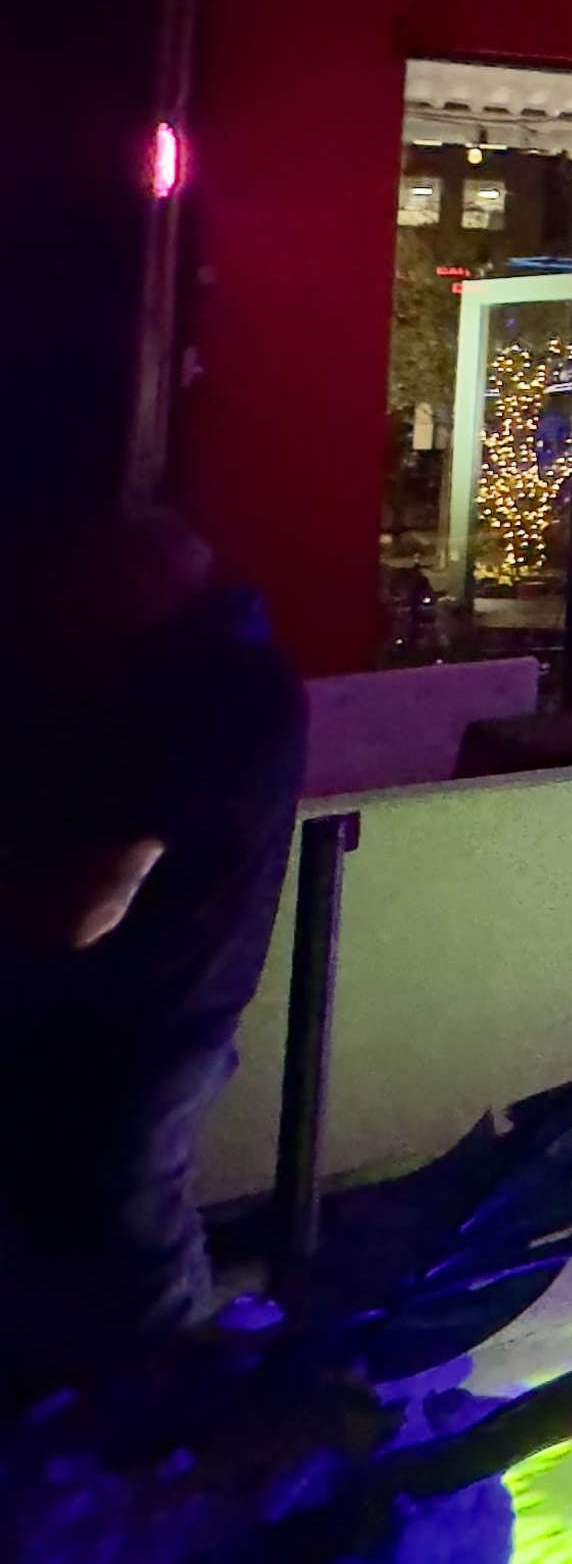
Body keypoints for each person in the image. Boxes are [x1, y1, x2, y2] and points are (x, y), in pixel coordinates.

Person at [0, 505, 309, 1392]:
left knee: (132, 1218)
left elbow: (90, 904)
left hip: (160, 1003)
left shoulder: (214, 694)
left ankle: (174, 1419)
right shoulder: (223, 678)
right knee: (116, 1212)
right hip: (165, 998)